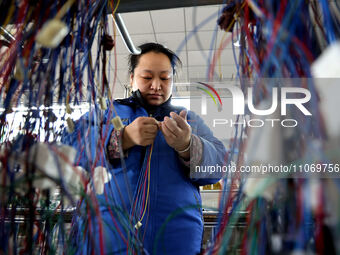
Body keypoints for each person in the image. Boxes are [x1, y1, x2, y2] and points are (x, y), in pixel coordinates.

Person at [62, 43, 226, 255]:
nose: (156, 85)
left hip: (174, 242)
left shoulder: (189, 120)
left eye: (165, 78)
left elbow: (220, 166)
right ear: (131, 78)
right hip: (106, 239)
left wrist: (188, 146)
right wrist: (121, 138)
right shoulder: (106, 112)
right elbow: (68, 147)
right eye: (147, 77)